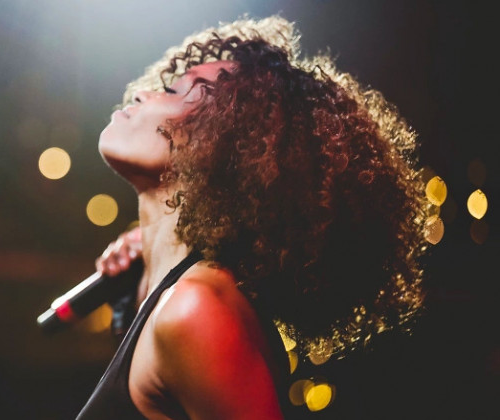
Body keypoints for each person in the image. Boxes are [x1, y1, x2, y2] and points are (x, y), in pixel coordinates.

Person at [75, 15, 428, 419]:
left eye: (175, 91)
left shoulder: (197, 310)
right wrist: (138, 277)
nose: (141, 93)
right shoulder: (163, 294)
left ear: (217, 145)